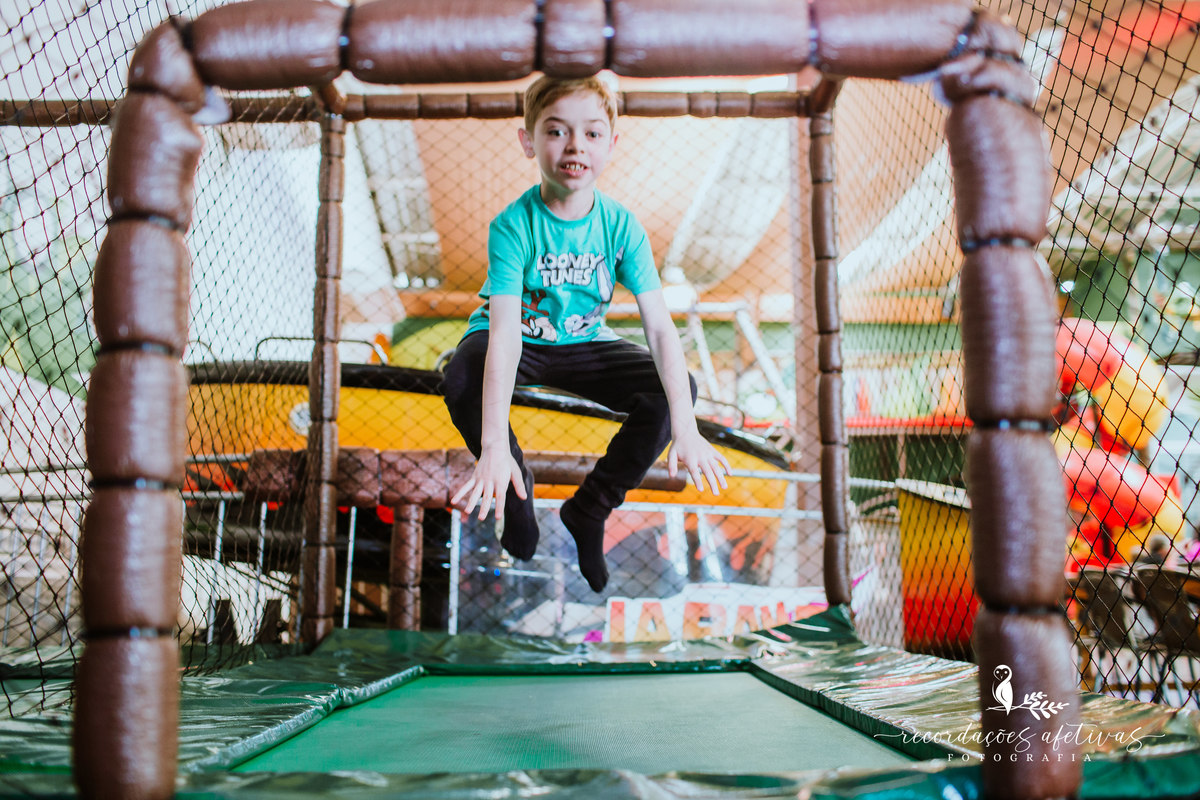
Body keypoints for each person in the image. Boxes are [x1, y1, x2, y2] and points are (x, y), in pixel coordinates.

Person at [442, 74, 731, 593]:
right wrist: (492, 445)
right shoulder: (514, 225)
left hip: (582, 344)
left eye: (592, 134)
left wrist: (686, 426)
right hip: (519, 338)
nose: (575, 145)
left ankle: (590, 508)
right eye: (557, 131)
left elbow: (661, 330)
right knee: (463, 372)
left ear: (611, 145)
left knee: (676, 390)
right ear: (528, 141)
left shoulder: (622, 227)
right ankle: (515, 490)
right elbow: (505, 335)